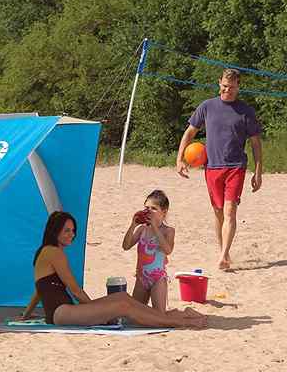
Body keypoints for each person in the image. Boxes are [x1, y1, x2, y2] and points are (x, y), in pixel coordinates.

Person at [18, 211, 207, 328]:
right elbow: (75, 290)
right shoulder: (54, 253)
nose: (71, 235)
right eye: (66, 230)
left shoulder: (46, 252)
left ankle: (170, 316)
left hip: (62, 311)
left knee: (123, 298)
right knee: (122, 306)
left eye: (73, 230)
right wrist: (97, 310)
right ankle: (179, 321)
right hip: (61, 313)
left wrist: (26, 314)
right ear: (54, 230)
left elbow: (39, 289)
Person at [176, 68, 263, 270]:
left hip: (236, 167)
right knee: (218, 211)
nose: (227, 90)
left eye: (232, 87)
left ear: (238, 87)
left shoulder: (246, 111)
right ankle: (224, 250)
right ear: (219, 83)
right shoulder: (207, 107)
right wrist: (179, 159)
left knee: (230, 210)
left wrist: (258, 171)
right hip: (212, 167)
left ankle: (223, 256)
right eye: (224, 86)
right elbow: (189, 133)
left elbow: (256, 143)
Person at [122, 190, 173, 313]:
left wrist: (155, 227)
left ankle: (186, 314)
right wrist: (133, 225)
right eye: (146, 207)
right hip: (141, 278)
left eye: (154, 208)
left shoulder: (168, 231)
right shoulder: (142, 229)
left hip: (158, 278)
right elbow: (126, 246)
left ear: (164, 212)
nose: (149, 211)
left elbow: (167, 250)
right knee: (135, 314)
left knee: (159, 314)